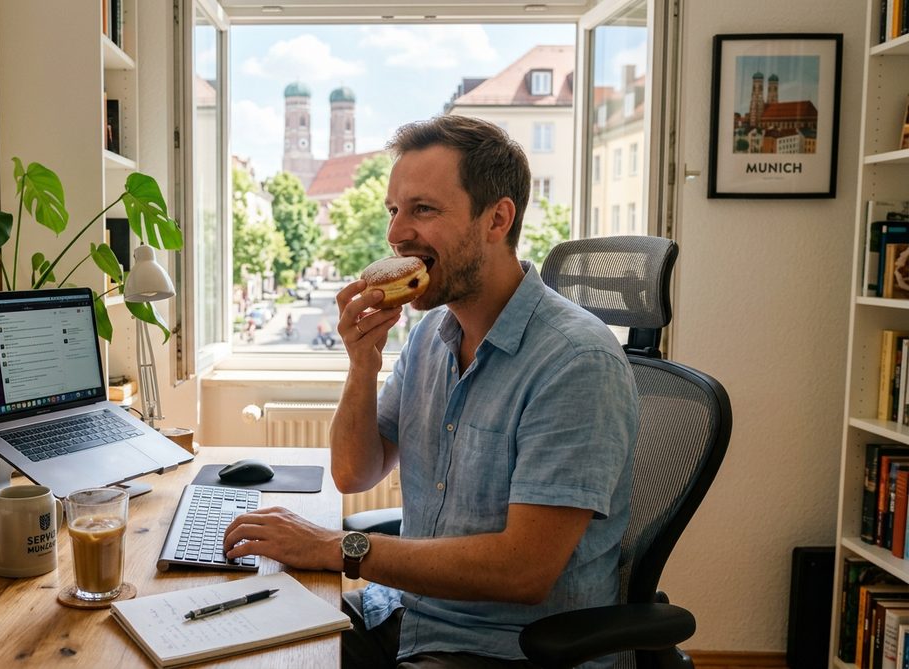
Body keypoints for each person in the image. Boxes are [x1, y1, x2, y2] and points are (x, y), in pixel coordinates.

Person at [223, 115, 639, 668]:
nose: (396, 233)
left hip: (500, 651)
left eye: (423, 209)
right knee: (240, 644)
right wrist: (361, 364)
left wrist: (336, 548)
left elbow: (524, 570)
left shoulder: (576, 362)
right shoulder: (429, 337)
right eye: (394, 211)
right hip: (403, 614)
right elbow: (354, 472)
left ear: (497, 219)